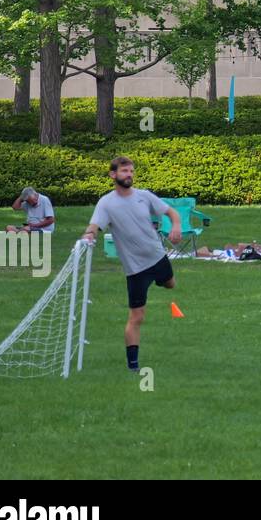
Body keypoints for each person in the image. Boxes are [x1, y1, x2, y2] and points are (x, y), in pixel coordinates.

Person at [80, 156, 180, 371]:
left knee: (171, 284)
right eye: (125, 171)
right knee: (137, 317)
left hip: (157, 257)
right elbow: (94, 225)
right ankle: (133, 365)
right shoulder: (106, 203)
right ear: (113, 175)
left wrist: (176, 226)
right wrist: (89, 235)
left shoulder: (144, 196)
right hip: (136, 270)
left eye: (132, 171)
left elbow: (171, 212)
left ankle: (161, 280)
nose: (129, 175)